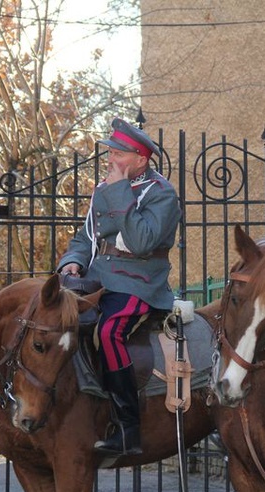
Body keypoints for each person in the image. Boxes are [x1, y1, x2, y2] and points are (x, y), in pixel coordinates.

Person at [58, 117, 181, 457]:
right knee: (54, 322)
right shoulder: (103, 188)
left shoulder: (162, 195)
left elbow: (141, 242)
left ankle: (128, 427)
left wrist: (119, 192)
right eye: (109, 152)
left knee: (109, 331)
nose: (110, 159)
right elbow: (86, 237)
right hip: (98, 277)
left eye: (118, 153)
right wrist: (73, 261)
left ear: (141, 159)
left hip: (140, 283)